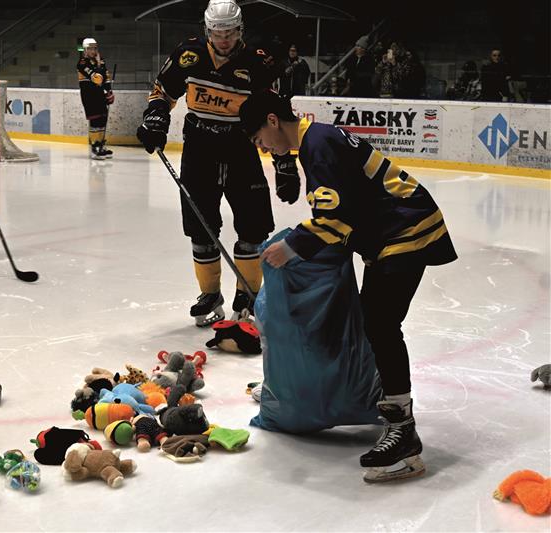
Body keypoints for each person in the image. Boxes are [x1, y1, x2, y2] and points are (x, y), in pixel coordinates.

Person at [239, 91, 458, 483]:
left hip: (407, 232)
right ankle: (384, 404)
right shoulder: (317, 139)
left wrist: (289, 249)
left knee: (380, 325)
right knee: (372, 320)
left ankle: (403, 433)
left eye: (259, 140)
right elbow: (347, 209)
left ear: (272, 121)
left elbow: (334, 219)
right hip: (393, 234)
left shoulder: (317, 145)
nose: (263, 149)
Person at [136, 0, 284, 326]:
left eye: (230, 32)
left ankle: (247, 293)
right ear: (207, 30)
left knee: (252, 227)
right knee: (201, 230)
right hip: (199, 150)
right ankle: (210, 294)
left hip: (241, 151)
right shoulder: (189, 54)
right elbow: (163, 90)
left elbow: (275, 117)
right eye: (218, 33)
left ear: (240, 30)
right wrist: (156, 116)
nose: (224, 39)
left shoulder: (258, 63)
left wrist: (284, 160)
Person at [77, 38, 114, 160]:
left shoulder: (101, 60)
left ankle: (101, 144)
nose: (93, 51)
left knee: (103, 119)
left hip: (100, 94)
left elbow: (106, 77)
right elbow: (97, 78)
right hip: (89, 96)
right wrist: (98, 65)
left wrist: (109, 92)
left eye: (95, 48)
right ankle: (94, 147)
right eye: (90, 48)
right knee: (95, 121)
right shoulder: (82, 63)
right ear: (85, 50)